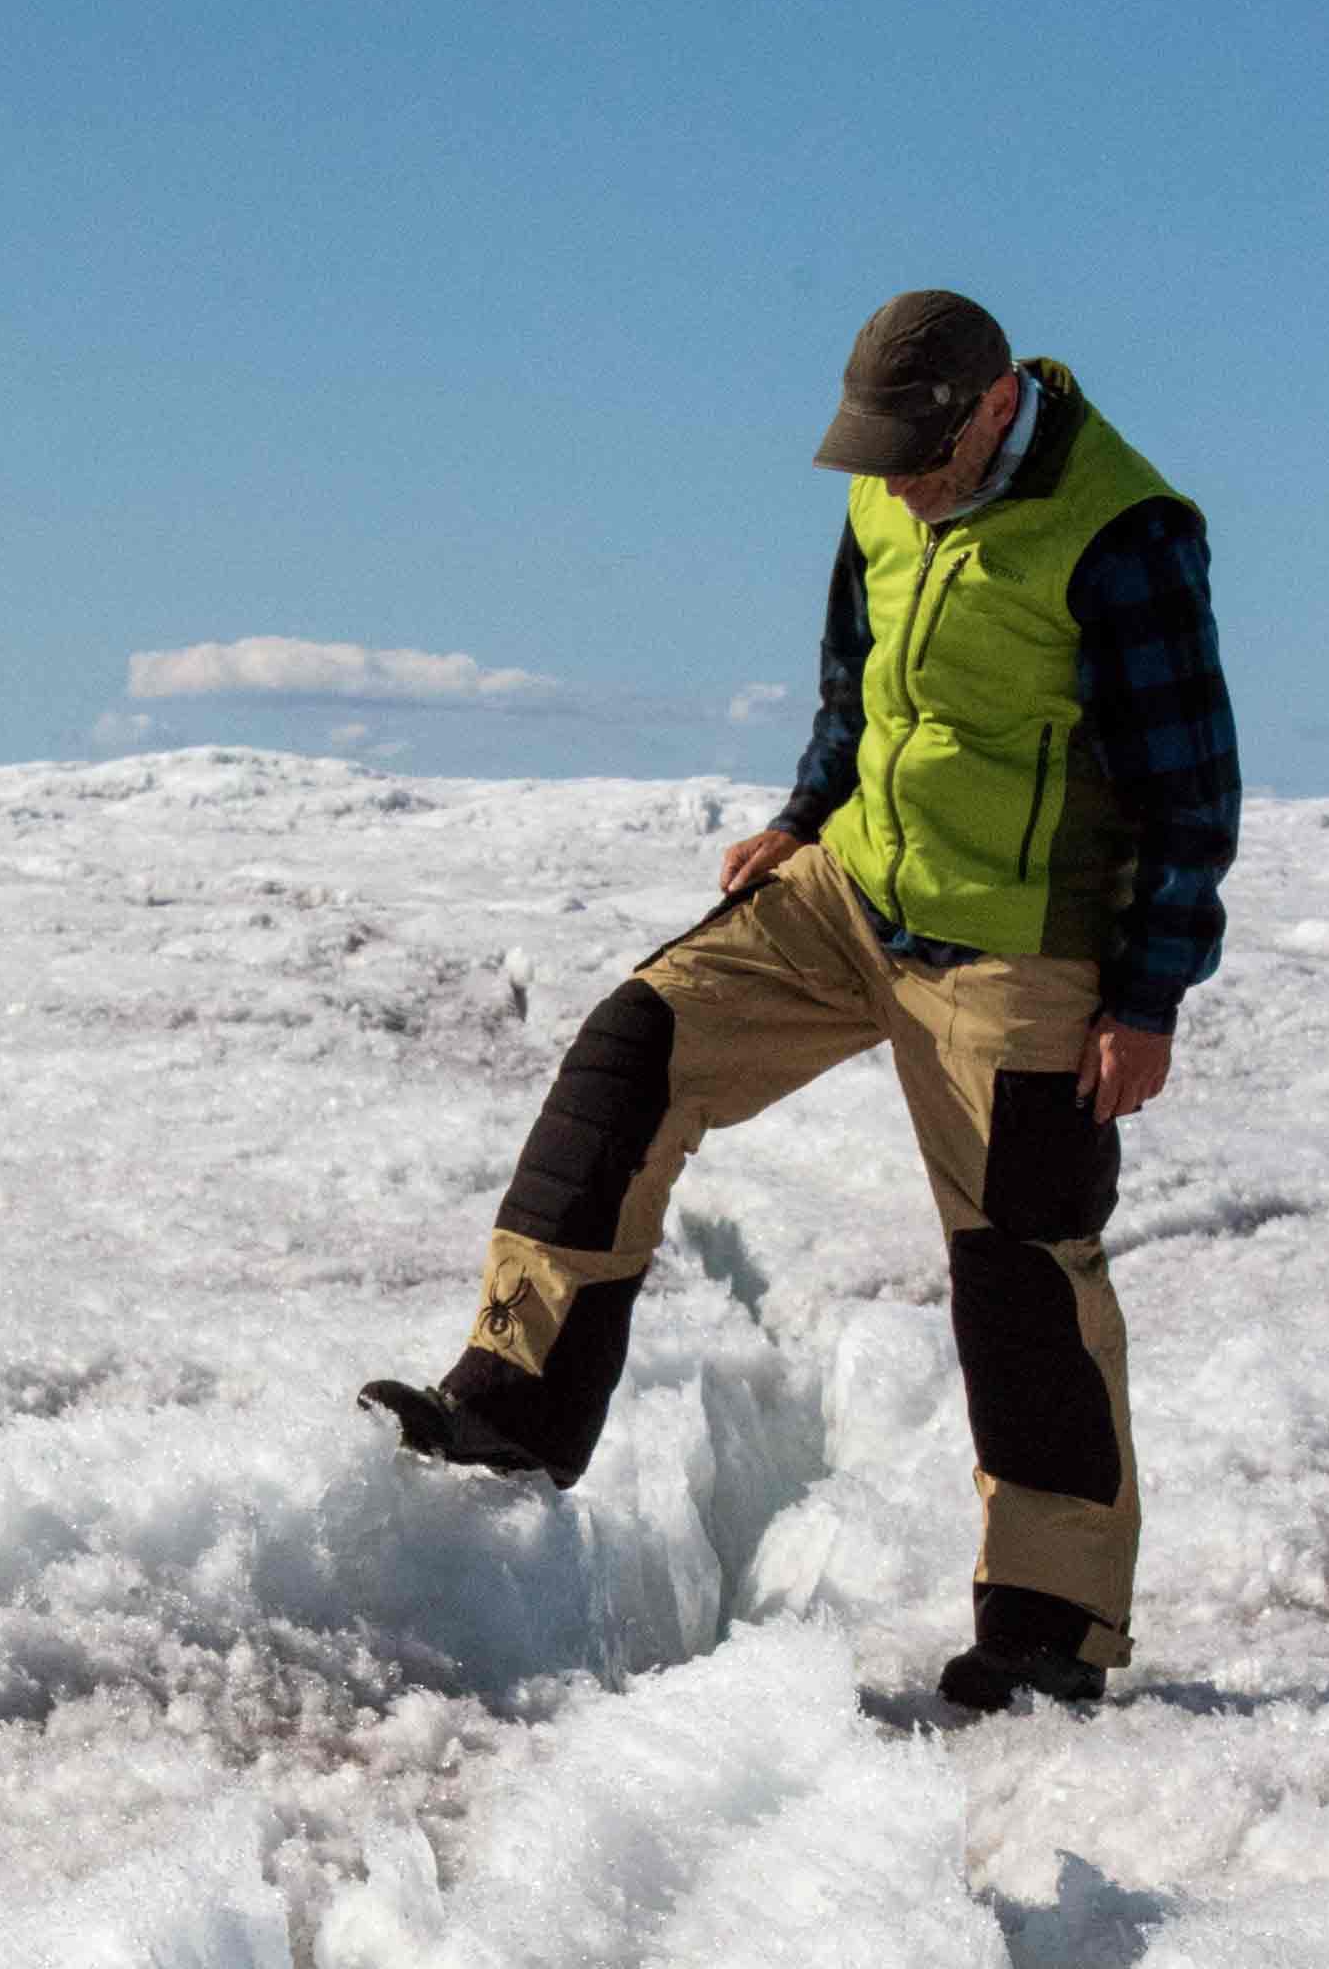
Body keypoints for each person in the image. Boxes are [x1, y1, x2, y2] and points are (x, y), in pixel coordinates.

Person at [360, 289, 1241, 1711]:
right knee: (633, 1048)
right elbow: (861, 687)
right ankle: (514, 1407)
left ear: (998, 405)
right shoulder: (890, 503)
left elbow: (1192, 791)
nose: (892, 481)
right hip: (853, 893)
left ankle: (1050, 1625)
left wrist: (1145, 999)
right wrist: (806, 812)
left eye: (916, 454)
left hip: (1018, 947)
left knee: (1023, 1273)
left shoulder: (1125, 533)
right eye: (876, 453)